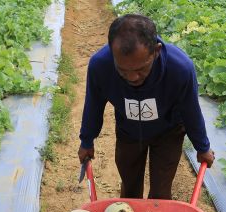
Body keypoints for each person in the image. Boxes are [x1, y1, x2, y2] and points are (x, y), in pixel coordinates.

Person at [77, 14, 215, 199]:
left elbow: (191, 111)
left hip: (169, 131)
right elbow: (93, 105)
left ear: (156, 51)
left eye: (141, 69)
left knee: (161, 191)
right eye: (123, 70)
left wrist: (202, 146)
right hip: (128, 131)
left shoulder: (179, 68)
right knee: (130, 187)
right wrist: (87, 140)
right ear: (111, 52)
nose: (132, 77)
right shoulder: (100, 66)